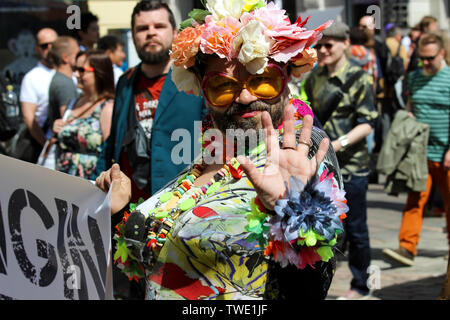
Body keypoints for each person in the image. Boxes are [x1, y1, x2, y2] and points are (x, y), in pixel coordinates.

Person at [95, 0, 346, 300]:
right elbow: (152, 264)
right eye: (223, 87)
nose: (242, 96)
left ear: (287, 82)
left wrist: (293, 211)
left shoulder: (300, 153)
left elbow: (307, 292)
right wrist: (121, 209)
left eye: (263, 81)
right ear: (204, 93)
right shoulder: (208, 156)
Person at [95, 1, 206, 202]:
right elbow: (113, 142)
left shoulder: (196, 78)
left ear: (174, 32)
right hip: (128, 209)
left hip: (178, 203)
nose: (151, 33)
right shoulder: (125, 81)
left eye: (159, 26)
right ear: (134, 35)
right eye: (142, 28)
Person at [304, 21, 378, 300]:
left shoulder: (359, 78)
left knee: (356, 228)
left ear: (345, 44)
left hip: (352, 166)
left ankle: (361, 285)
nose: (322, 50)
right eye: (318, 45)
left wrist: (336, 145)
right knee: (321, 227)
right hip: (321, 168)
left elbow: (368, 122)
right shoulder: (313, 78)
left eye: (328, 44)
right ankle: (320, 283)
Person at [382, 33, 450, 269]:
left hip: (446, 152)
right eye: (422, 59)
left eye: (430, 58)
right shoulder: (414, 79)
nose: (426, 63)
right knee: (415, 200)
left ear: (442, 54)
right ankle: (407, 248)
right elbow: (411, 106)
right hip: (420, 153)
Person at [53, 50, 114, 180]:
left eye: (81, 70)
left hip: (90, 181)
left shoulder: (107, 108)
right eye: (75, 69)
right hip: (63, 177)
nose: (75, 74)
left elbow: (109, 151)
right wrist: (57, 126)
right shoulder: (73, 103)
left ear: (99, 72)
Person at [18, 28, 58, 162]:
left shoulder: (73, 73)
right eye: (45, 46)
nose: (50, 48)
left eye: (54, 44)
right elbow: (29, 118)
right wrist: (47, 146)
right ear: (37, 49)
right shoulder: (32, 78)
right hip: (44, 148)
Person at [47, 36, 80, 139]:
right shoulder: (64, 84)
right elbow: (66, 118)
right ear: (65, 58)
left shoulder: (65, 80)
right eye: (77, 54)